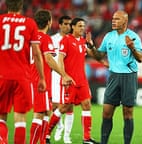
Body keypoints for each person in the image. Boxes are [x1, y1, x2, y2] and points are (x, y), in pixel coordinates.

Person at [88, 10, 142, 144]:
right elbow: (99, 56)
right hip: (113, 76)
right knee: (106, 112)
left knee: (127, 113)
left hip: (129, 76)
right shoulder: (108, 36)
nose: (113, 21)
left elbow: (140, 58)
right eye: (113, 19)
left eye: (117, 19)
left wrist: (132, 48)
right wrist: (91, 47)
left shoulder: (133, 37)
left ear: (125, 21)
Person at [45, 17, 100, 144]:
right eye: (80, 26)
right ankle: (46, 134)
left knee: (87, 105)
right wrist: (64, 76)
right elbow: (60, 60)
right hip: (70, 81)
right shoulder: (66, 40)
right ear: (73, 27)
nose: (82, 29)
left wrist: (91, 44)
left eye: (83, 26)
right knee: (64, 107)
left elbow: (95, 55)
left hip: (82, 81)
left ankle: (86, 138)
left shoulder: (82, 42)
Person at [0, 0, 46, 143]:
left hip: (2, 75)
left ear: (6, 5)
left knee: (1, 116)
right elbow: (37, 54)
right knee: (20, 118)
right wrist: (42, 78)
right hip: (22, 77)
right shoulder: (29, 23)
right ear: (21, 6)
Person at [29, 10, 73, 144]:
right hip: (39, 80)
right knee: (39, 114)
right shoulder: (45, 38)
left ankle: (43, 141)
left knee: (47, 111)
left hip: (34, 79)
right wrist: (64, 75)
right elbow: (48, 59)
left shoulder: (29, 37)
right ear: (49, 22)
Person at [51, 15, 74, 143]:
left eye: (69, 24)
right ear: (59, 25)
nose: (67, 26)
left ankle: (67, 136)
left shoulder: (73, 39)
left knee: (69, 106)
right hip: (55, 75)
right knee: (54, 105)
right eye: (65, 24)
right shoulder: (52, 39)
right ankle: (59, 126)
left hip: (70, 75)